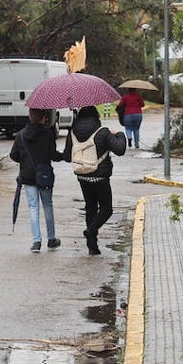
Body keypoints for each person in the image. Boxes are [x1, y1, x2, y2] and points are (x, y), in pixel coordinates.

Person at [63, 105, 127, 255]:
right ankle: (91, 230)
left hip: (82, 176)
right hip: (100, 177)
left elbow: (67, 157)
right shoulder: (102, 132)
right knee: (107, 209)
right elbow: (120, 149)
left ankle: (92, 246)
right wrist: (119, 134)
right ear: (96, 116)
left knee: (90, 207)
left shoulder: (72, 132)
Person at [9, 108, 64, 253]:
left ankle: (36, 241)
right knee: (47, 205)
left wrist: (24, 159)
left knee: (33, 207)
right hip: (44, 176)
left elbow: (13, 155)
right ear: (44, 118)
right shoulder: (48, 134)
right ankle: (51, 239)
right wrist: (65, 156)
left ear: (29, 116)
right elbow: (53, 155)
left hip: (27, 176)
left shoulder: (20, 135)